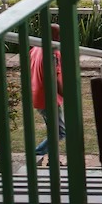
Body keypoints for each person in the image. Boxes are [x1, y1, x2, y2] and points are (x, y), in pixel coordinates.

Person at [29, 24, 64, 166]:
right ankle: (36, 153)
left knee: (54, 131)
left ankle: (53, 160)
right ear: (54, 37)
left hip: (38, 96)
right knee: (61, 131)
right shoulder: (52, 53)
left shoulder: (36, 48)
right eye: (59, 35)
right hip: (49, 99)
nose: (61, 38)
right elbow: (53, 78)